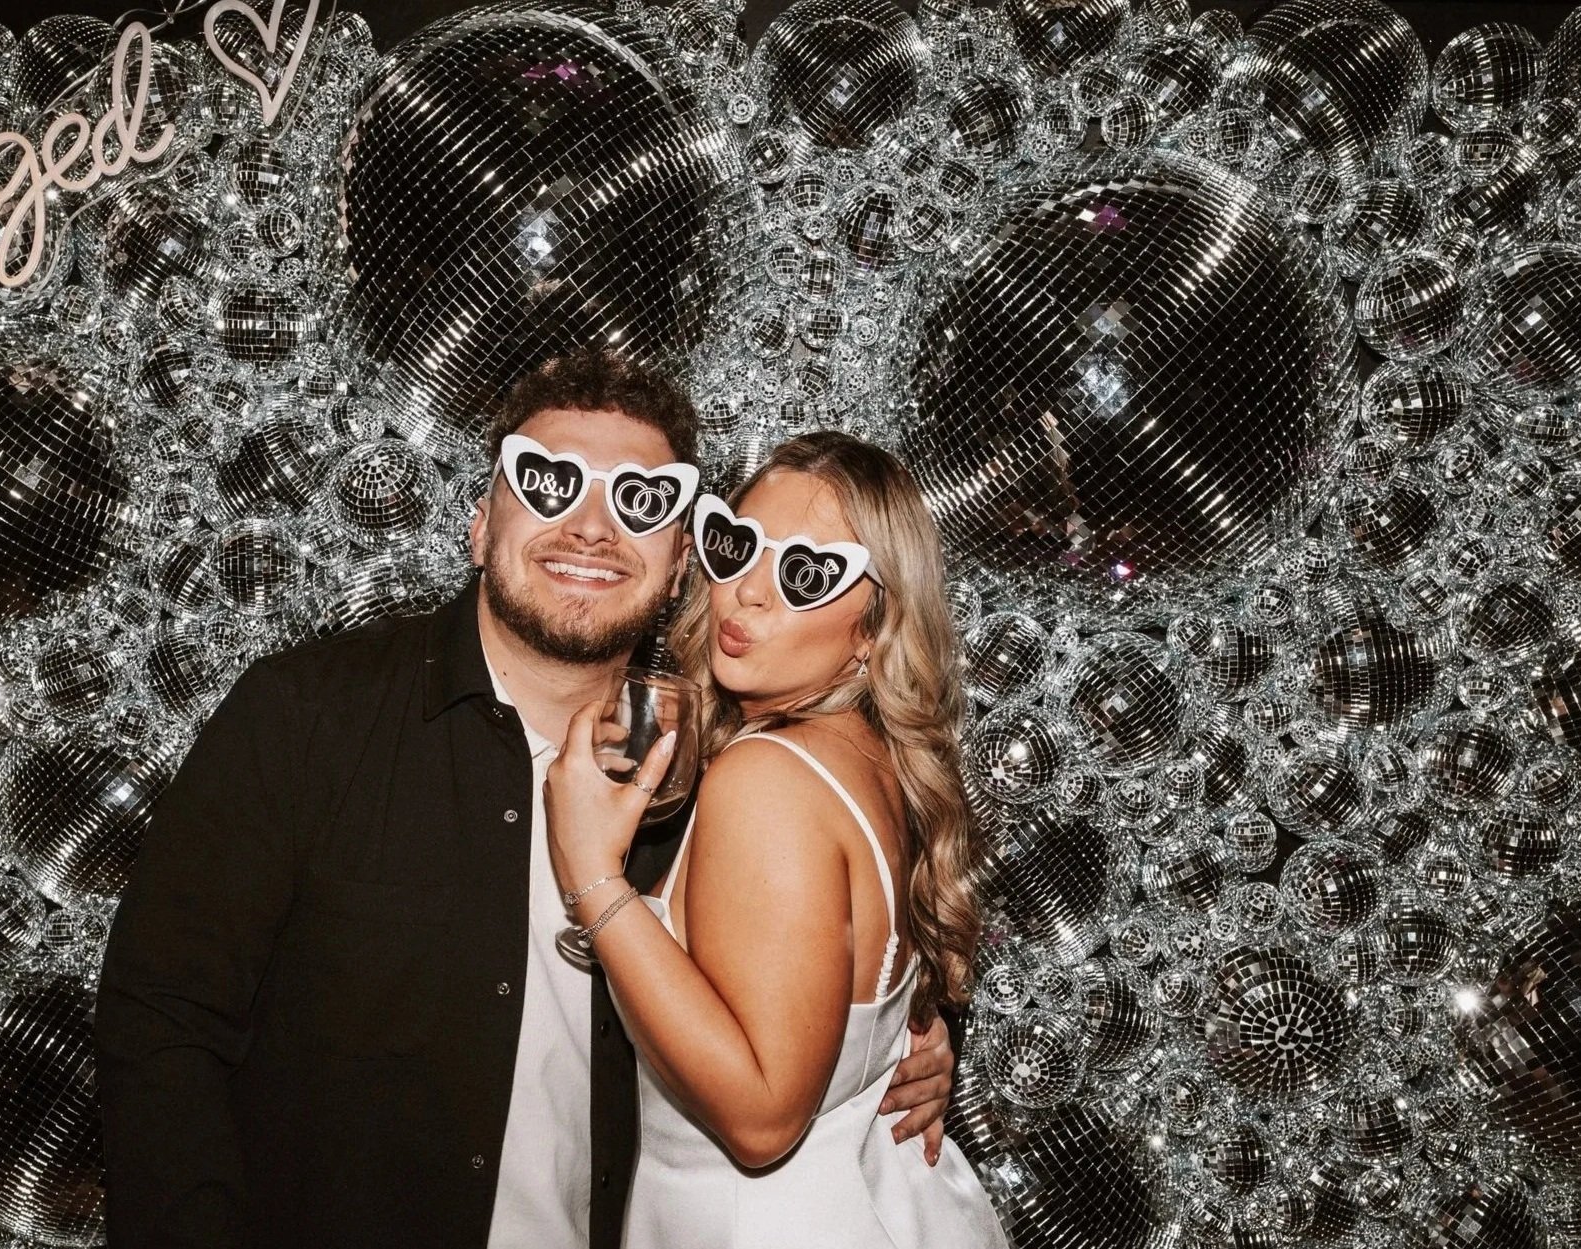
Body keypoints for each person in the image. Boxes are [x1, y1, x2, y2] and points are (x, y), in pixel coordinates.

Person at [94, 350, 959, 1249]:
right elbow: (163, 1022)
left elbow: (826, 968)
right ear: (479, 525)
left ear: (677, 568)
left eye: (639, 501)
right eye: (547, 483)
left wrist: (907, 1043)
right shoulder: (309, 716)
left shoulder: (708, 767)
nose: (589, 527)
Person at [543, 431, 1010, 1248]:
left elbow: (762, 1116)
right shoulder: (869, 761)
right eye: (736, 545)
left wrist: (592, 873)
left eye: (804, 572)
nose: (749, 592)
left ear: (874, 625)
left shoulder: (768, 779)